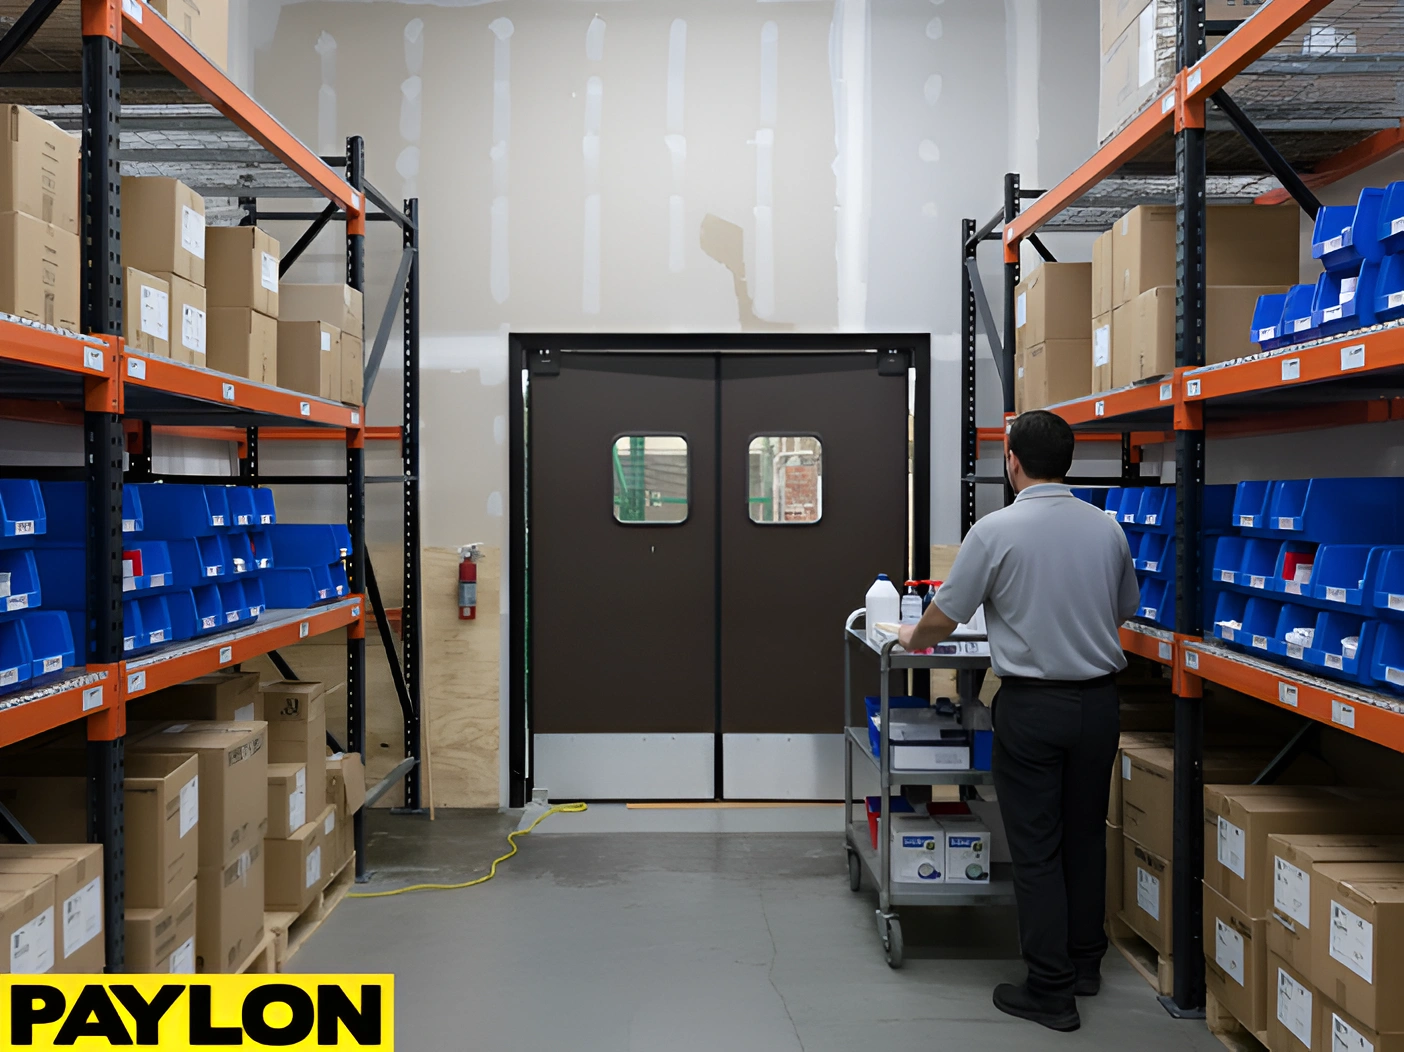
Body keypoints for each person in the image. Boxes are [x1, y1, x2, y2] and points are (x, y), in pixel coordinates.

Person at [897, 410, 1139, 1033]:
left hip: (1034, 706)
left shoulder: (995, 529)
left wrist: (908, 635)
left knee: (1035, 847)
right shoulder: (1107, 528)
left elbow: (943, 619)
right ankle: (1085, 965)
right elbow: (1124, 609)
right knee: (1085, 836)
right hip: (1098, 705)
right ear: (1070, 461)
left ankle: (1050, 991)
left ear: (1012, 461)